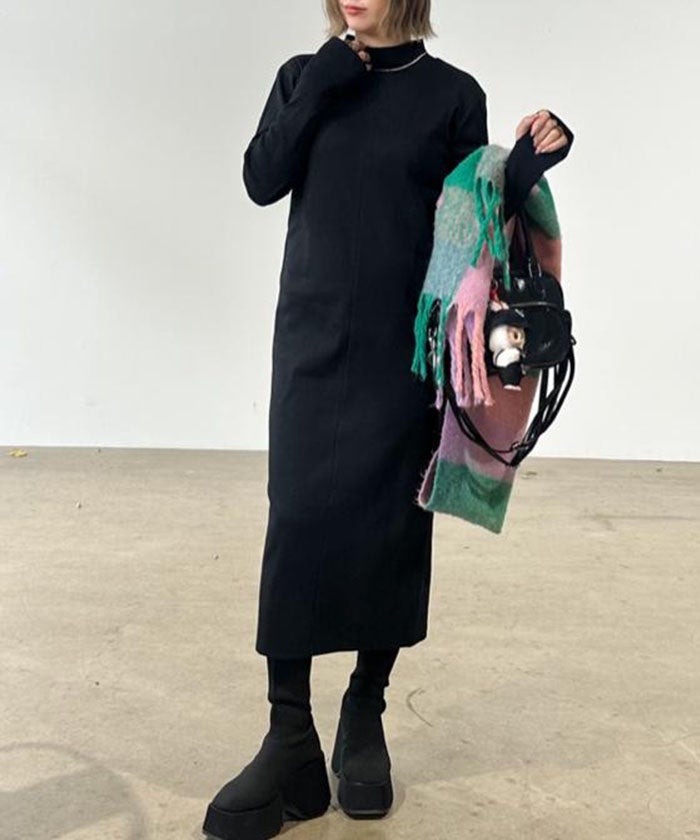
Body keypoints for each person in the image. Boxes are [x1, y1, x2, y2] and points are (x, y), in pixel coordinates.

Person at [203, 2, 573, 838]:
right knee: (297, 522)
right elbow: (262, 177)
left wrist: (530, 163)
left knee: (393, 529)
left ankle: (364, 712)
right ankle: (289, 735)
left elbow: (474, 221)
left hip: (407, 352)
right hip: (311, 337)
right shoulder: (304, 76)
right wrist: (324, 82)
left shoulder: (452, 95)